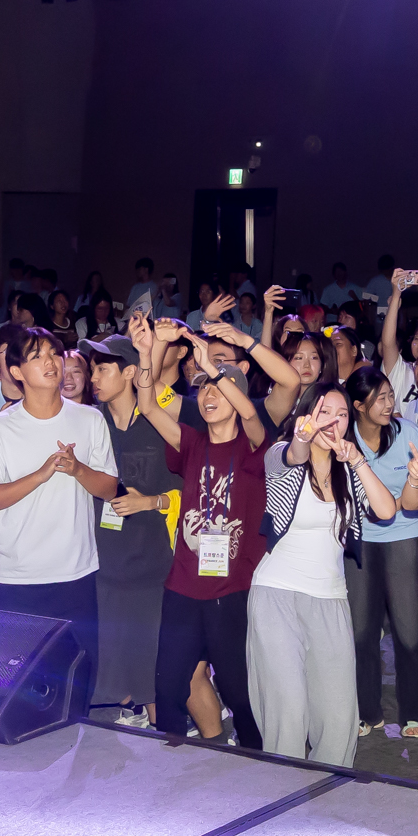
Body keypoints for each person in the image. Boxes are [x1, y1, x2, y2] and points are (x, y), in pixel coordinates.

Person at [253, 381, 405, 766]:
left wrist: (357, 460)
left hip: (331, 599)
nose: (333, 422)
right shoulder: (280, 456)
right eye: (324, 413)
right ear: (306, 415)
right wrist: (303, 437)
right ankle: (281, 791)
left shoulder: (348, 473)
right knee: (287, 708)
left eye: (342, 415)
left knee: (339, 717)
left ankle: (327, 789)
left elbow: (386, 511)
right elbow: (293, 454)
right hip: (277, 595)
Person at [138, 320, 270, 746]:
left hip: (231, 590)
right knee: (168, 686)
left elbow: (251, 415)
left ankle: (257, 757)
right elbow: (149, 406)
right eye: (203, 390)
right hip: (183, 587)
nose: (209, 396)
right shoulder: (192, 442)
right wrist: (147, 353)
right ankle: (169, 763)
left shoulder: (254, 446)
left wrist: (211, 366)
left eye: (218, 390)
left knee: (238, 690)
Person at [0, 327, 122, 699]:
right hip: (16, 576)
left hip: (76, 572)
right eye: (36, 356)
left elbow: (109, 489)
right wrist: (40, 475)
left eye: (54, 353)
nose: (51, 362)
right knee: (15, 687)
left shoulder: (89, 419)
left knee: (75, 681)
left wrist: (77, 469)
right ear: (16, 371)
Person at [88, 333, 180, 729]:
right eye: (92, 369)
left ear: (129, 373)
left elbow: (188, 487)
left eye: (103, 368)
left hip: (150, 562)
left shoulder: (157, 423)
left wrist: (151, 502)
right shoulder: (91, 423)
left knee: (150, 659)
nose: (93, 377)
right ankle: (127, 712)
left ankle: (165, 737)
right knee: (108, 654)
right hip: (101, 561)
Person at [347, 362, 418, 742]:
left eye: (389, 396)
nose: (388, 404)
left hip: (405, 537)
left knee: (411, 633)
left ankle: (414, 711)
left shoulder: (407, 433)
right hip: (360, 541)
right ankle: (367, 710)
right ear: (358, 405)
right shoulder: (345, 438)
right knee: (361, 632)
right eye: (379, 398)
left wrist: (406, 496)